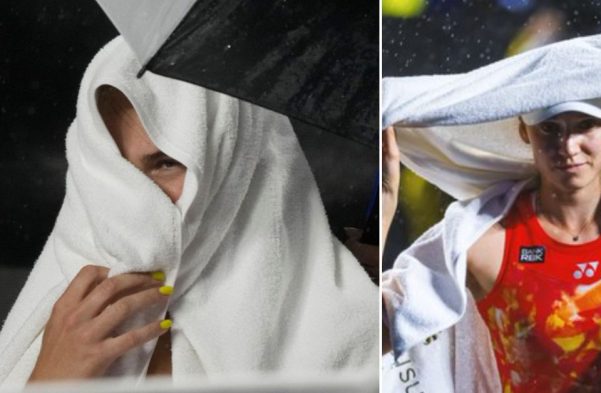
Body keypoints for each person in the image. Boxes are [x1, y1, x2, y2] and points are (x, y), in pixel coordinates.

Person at [0, 37, 378, 385]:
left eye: (165, 163)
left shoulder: (353, 338)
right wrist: (50, 381)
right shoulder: (63, 321)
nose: (133, 195)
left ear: (236, 166)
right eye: (112, 164)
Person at [381, 43, 601, 393]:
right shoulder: (484, 240)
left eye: (585, 125)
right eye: (550, 130)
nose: (568, 147)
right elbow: (373, 332)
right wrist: (380, 213)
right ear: (524, 131)